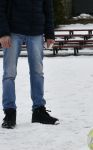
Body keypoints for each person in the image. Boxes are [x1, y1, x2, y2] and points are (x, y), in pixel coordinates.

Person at [0, 0, 58, 129]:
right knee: (9, 73)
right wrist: (3, 33)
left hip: (36, 32)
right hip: (13, 32)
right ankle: (9, 112)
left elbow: (48, 9)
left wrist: (49, 33)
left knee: (37, 73)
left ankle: (38, 111)